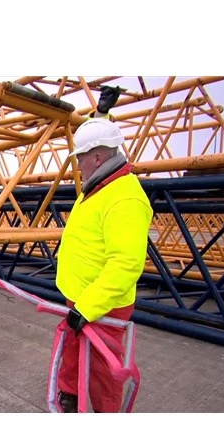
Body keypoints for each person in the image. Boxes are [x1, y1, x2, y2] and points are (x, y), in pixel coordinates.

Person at [55, 88, 153, 413]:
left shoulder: (125, 198)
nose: (78, 164)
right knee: (74, 351)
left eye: (80, 157)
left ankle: (103, 413)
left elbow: (125, 264)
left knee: (102, 367)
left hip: (102, 306)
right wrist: (100, 115)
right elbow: (100, 140)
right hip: (82, 298)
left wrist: (88, 308)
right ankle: (71, 395)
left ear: (97, 158)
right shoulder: (103, 182)